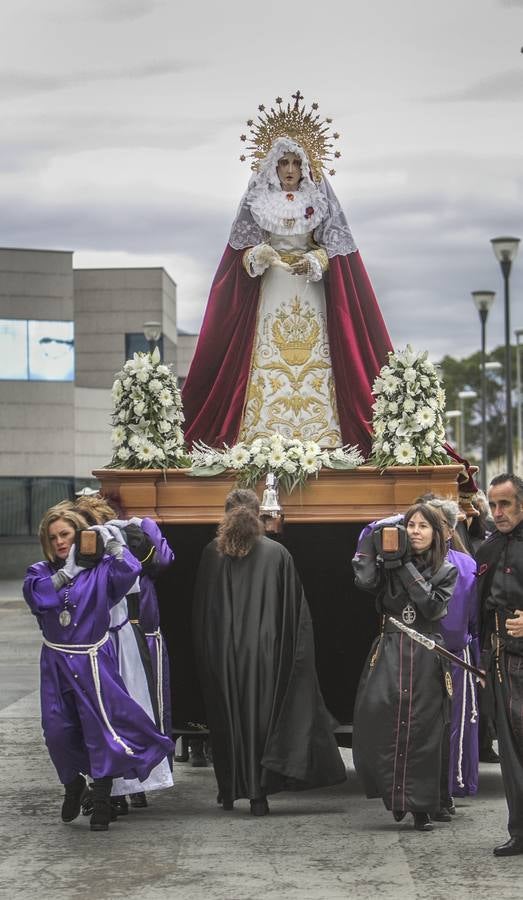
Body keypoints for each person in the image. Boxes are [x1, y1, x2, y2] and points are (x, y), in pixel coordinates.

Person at [182, 92, 392, 456]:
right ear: (273, 167)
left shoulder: (319, 200)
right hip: (272, 288)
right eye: (284, 163)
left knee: (317, 355)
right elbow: (240, 256)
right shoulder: (258, 201)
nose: (291, 169)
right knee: (266, 353)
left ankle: (322, 435)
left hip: (309, 290)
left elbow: (335, 251)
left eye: (296, 162)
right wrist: (257, 256)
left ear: (307, 166)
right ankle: (261, 433)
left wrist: (317, 262)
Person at [193, 488, 346, 815]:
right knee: (260, 720)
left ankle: (229, 791)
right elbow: (295, 616)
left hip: (221, 654)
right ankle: (258, 795)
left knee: (227, 718)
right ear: (259, 514)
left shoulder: (211, 552)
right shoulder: (277, 553)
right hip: (265, 654)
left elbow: (203, 612)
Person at [23, 506, 174, 831]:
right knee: (57, 732)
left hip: (93, 659)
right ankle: (73, 784)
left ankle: (103, 799)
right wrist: (66, 573)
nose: (60, 541)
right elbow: (38, 598)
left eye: (65, 534)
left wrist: (115, 545)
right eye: (53, 537)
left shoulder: (101, 570)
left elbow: (131, 572)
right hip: (56, 662)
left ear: (77, 534)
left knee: (98, 729)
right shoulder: (38, 572)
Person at [352, 503, 457, 831]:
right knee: (381, 721)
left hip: (425, 654)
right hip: (389, 651)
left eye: (424, 526)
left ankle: (421, 806)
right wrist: (372, 537)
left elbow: (431, 607)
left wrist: (403, 567)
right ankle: (396, 798)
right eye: (410, 525)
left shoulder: (446, 570)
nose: (415, 531)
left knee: (423, 730)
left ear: (436, 533)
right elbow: (365, 581)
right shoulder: (387, 562)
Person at [74, 494, 174, 813]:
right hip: (107, 639)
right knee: (115, 712)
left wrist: (140, 528)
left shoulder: (127, 539)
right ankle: (117, 787)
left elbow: (162, 560)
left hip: (123, 635)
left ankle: (124, 786)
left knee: (123, 712)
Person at [476, 473, 523, 856]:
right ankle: (520, 832)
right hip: (502, 662)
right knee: (510, 752)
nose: (497, 512)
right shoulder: (488, 549)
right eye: (492, 505)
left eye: (505, 504)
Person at [426, 499, 480, 811]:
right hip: (419, 656)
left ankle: (450, 787)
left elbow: (474, 617)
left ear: (447, 531)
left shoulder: (467, 565)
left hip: (457, 655)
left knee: (456, 725)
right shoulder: (410, 561)